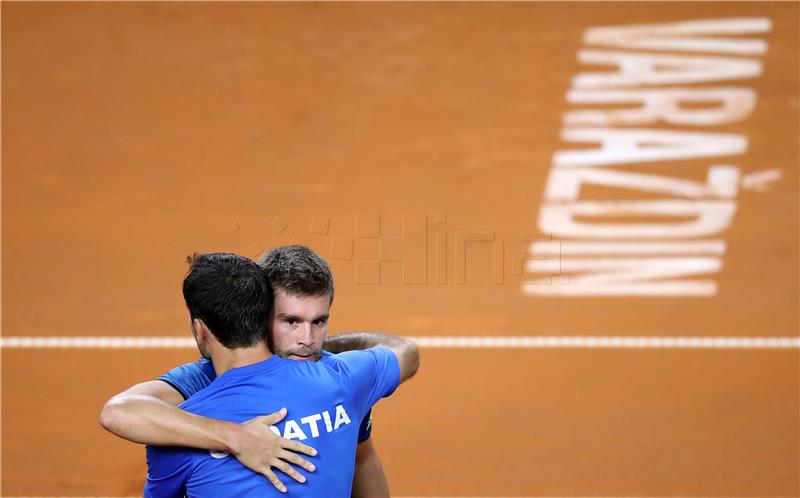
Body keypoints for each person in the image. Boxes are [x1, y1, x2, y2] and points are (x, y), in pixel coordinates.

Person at [100, 246, 417, 495]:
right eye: (290, 322)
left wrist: (330, 351)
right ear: (260, 315)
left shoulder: (338, 376)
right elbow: (119, 412)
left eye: (319, 322)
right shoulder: (202, 380)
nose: (306, 340)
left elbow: (363, 458)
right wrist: (237, 438)